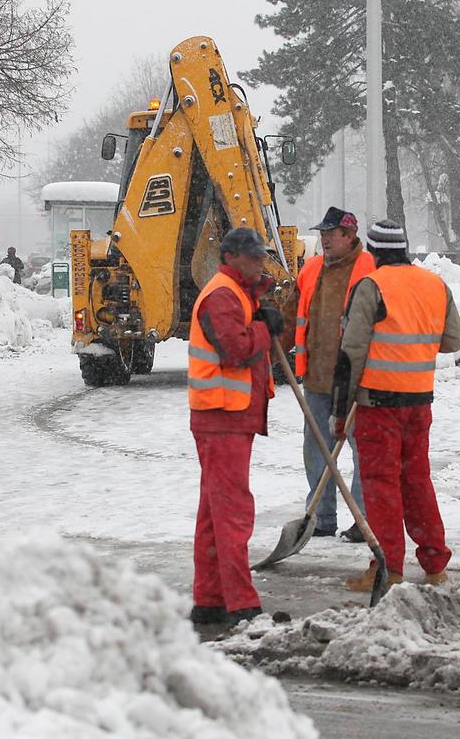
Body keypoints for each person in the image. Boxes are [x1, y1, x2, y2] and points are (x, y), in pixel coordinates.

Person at [330, 219, 460, 592]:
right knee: (417, 482)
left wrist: (340, 412)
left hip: (378, 404)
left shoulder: (371, 286)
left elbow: (351, 351)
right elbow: (453, 339)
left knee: (381, 485)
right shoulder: (434, 284)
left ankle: (387, 568)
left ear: (373, 253)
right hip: (419, 402)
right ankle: (435, 563)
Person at [187, 227, 284, 626]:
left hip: (226, 415)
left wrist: (259, 301)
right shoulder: (222, 295)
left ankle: (209, 599)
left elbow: (245, 317)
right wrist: (265, 329)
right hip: (222, 415)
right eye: (255, 258)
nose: (261, 263)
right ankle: (241, 601)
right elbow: (237, 349)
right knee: (233, 512)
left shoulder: (235, 293)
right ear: (231, 258)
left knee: (214, 513)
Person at [294, 206, 375, 542]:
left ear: (349, 235)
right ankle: (322, 517)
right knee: (316, 449)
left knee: (362, 450)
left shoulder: (370, 269)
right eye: (322, 233)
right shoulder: (310, 270)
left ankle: (362, 519)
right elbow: (293, 315)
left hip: (356, 381)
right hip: (317, 378)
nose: (324, 239)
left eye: (331, 233)